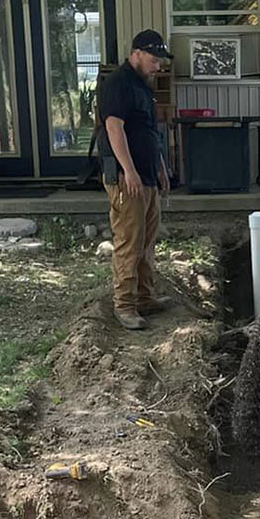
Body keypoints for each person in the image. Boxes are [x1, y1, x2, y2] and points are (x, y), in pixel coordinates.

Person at [99, 30, 173, 330]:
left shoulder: (142, 86)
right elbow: (114, 128)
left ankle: (144, 297)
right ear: (137, 53)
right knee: (129, 242)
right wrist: (128, 170)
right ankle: (125, 305)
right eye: (154, 61)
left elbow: (148, 132)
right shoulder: (118, 84)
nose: (158, 67)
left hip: (146, 176)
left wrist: (160, 168)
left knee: (146, 240)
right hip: (127, 179)